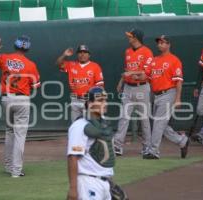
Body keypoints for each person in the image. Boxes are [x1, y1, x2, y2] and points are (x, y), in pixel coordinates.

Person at [0, 35, 41, 177]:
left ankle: (8, 166)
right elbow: (36, 85)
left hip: (6, 99)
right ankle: (16, 171)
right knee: (20, 135)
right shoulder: (30, 64)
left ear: (15, 45)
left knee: (9, 132)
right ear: (27, 48)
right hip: (21, 99)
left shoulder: (5, 58)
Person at [67, 87, 115, 200]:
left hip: (105, 182)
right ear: (89, 103)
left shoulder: (104, 124)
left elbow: (107, 156)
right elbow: (73, 157)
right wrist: (73, 188)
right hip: (88, 182)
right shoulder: (79, 126)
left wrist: (111, 181)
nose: (104, 103)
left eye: (105, 100)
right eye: (100, 100)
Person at [145, 35, 189, 159]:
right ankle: (182, 141)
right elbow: (146, 76)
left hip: (169, 93)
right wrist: (134, 75)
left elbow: (179, 81)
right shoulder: (154, 60)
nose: (160, 45)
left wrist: (178, 98)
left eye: (163, 42)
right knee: (161, 125)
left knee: (159, 123)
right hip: (156, 95)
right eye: (159, 42)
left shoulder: (174, 60)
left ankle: (153, 151)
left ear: (169, 44)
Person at [114, 28, 153, 157]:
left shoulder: (147, 52)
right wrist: (121, 81)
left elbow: (146, 72)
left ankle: (147, 147)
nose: (128, 38)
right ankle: (118, 146)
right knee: (124, 117)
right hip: (128, 87)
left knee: (144, 119)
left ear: (136, 38)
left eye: (130, 36)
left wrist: (132, 73)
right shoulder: (128, 51)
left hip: (142, 88)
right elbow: (127, 69)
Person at [56, 45, 104, 122]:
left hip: (88, 100)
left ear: (89, 55)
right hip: (75, 99)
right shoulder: (71, 65)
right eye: (80, 52)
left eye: (85, 52)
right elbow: (58, 63)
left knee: (89, 125)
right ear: (77, 55)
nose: (82, 54)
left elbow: (100, 86)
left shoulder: (95, 66)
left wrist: (96, 101)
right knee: (75, 124)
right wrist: (64, 55)